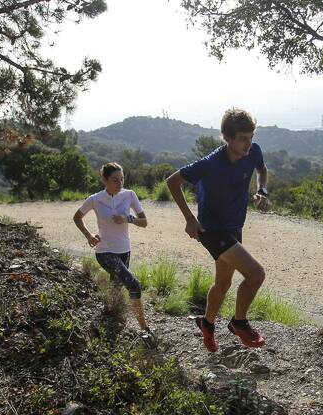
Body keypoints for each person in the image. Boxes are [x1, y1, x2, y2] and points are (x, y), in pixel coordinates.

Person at [166, 107, 269, 353]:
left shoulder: (253, 151)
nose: (248, 144)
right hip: (211, 229)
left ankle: (207, 325)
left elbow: (262, 170)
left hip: (234, 227)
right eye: (243, 139)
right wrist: (190, 218)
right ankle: (239, 323)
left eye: (251, 137)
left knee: (223, 283)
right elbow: (172, 181)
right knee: (256, 274)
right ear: (228, 138)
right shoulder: (211, 163)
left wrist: (261, 191)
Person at [73, 162, 155, 345]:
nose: (119, 183)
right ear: (104, 179)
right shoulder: (94, 199)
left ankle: (109, 319)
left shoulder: (129, 195)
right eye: (115, 180)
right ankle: (145, 329)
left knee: (116, 288)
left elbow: (144, 221)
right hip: (104, 251)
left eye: (122, 179)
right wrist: (88, 235)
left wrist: (127, 218)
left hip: (124, 249)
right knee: (133, 285)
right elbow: (77, 217)